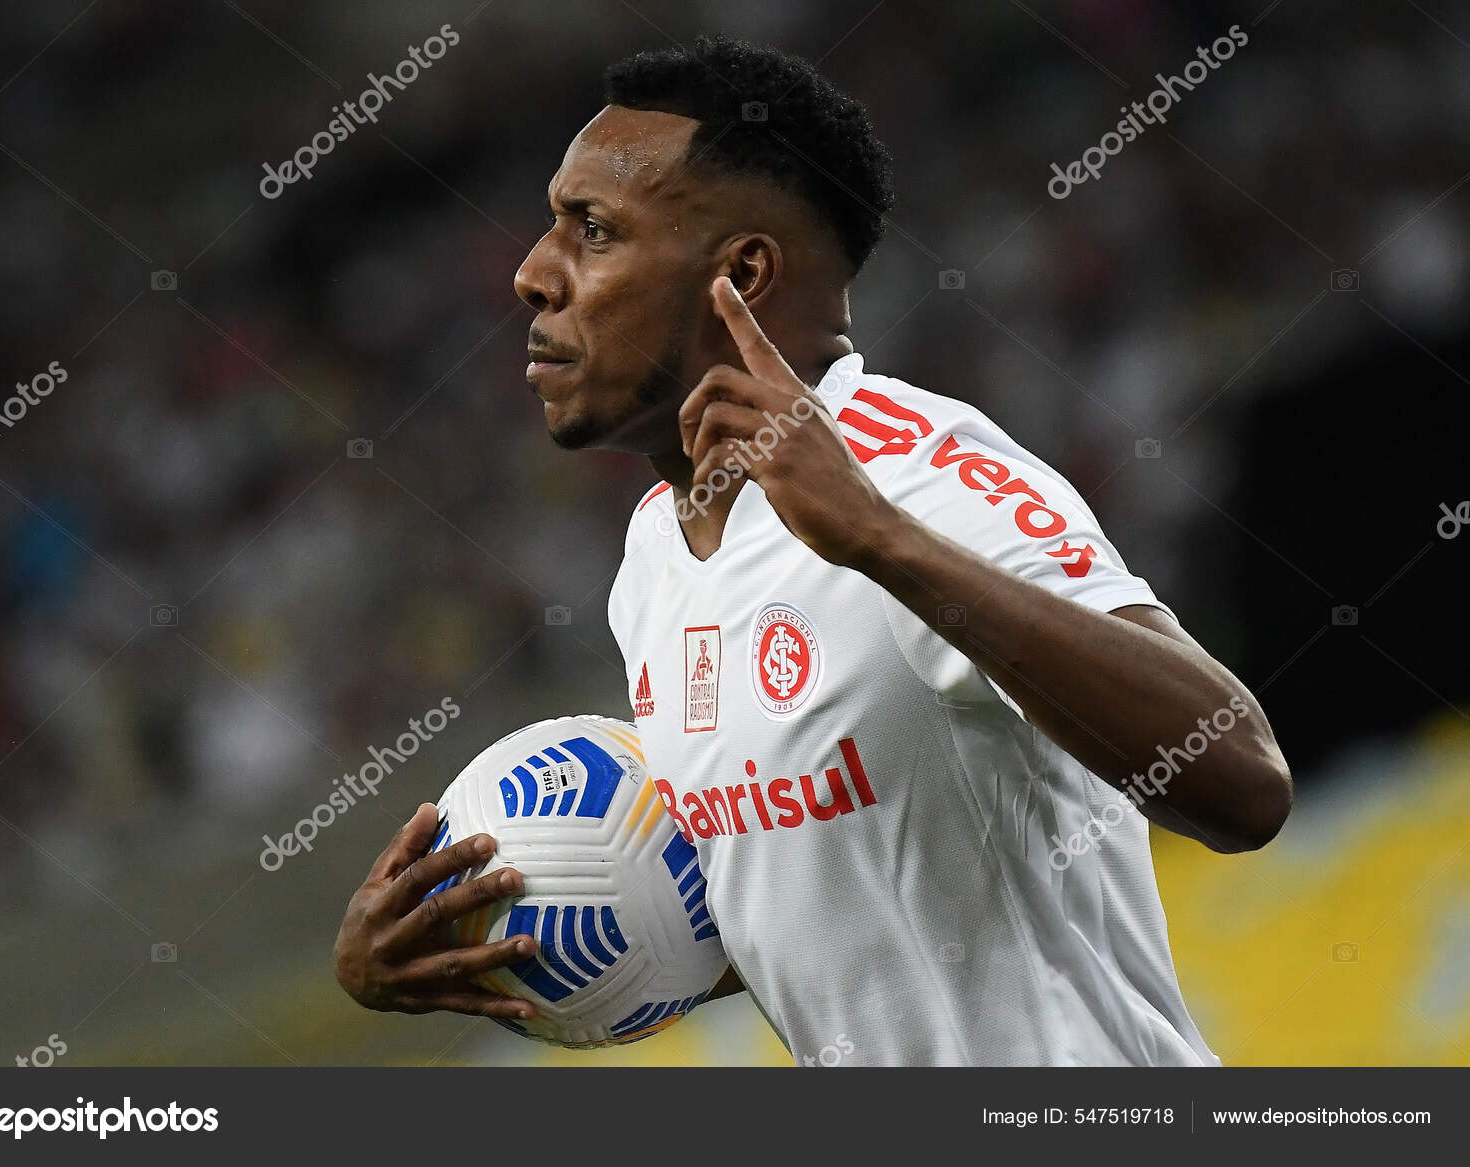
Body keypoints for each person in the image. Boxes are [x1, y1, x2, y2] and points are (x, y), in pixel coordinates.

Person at [335, 35, 1292, 1066]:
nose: (531, 273)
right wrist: (473, 945)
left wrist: (884, 543)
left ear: (738, 276)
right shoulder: (655, 553)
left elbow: (1239, 778)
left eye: (594, 230)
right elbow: (827, 905)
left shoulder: (916, 475)